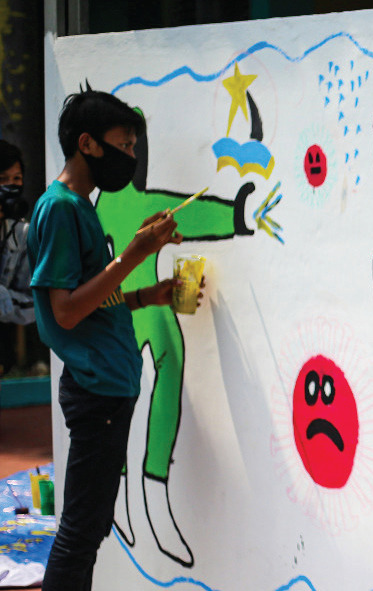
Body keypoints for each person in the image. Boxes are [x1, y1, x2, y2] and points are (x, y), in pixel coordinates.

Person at [28, 90, 191, 590]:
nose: (131, 158)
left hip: (108, 390)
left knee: (90, 527)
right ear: (88, 144)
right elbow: (67, 309)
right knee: (79, 533)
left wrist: (147, 296)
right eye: (124, 145)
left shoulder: (79, 207)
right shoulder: (59, 209)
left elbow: (95, 299)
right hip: (97, 394)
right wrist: (137, 253)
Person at [0, 139, 36, 373]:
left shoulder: (21, 234)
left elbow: (32, 305)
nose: (11, 186)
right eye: (2, 179)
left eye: (16, 179)